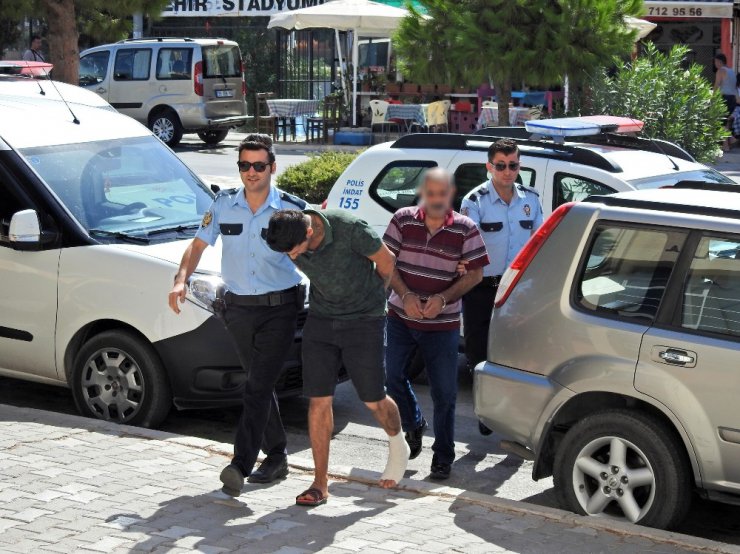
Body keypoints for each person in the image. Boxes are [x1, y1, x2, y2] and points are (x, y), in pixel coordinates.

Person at [168, 134, 307, 498]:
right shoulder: (224, 204)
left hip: (280, 308)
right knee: (259, 385)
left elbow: (311, 251)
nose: (251, 172)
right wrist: (180, 280)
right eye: (244, 165)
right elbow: (198, 245)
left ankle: (240, 464)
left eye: (259, 166)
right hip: (238, 309)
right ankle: (277, 456)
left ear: (272, 168)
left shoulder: (290, 209)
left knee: (257, 386)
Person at [263, 208, 409, 507]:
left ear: (309, 232)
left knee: (373, 398)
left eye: (295, 251)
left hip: (365, 319)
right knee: (319, 400)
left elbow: (386, 262)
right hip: (321, 320)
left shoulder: (350, 228)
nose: (292, 257)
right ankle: (319, 484)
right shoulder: (289, 233)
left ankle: (398, 443)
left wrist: (371, 300)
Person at [383, 168, 489, 480]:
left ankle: (443, 456)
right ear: (423, 193)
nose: (436, 199)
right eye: (431, 193)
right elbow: (385, 262)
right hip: (400, 317)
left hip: (442, 325)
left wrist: (442, 299)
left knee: (445, 393)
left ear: (450, 195)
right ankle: (414, 423)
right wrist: (405, 295)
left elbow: (475, 274)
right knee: (391, 378)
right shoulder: (402, 219)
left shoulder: (466, 229)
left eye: (442, 193)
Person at [460, 139, 543, 372]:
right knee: (479, 353)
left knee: (515, 350)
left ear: (519, 166)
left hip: (517, 289)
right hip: (482, 289)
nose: (508, 172)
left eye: (513, 165)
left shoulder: (531, 200)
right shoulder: (474, 201)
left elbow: (539, 244)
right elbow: (468, 246)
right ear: (489, 167)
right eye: (500, 165)